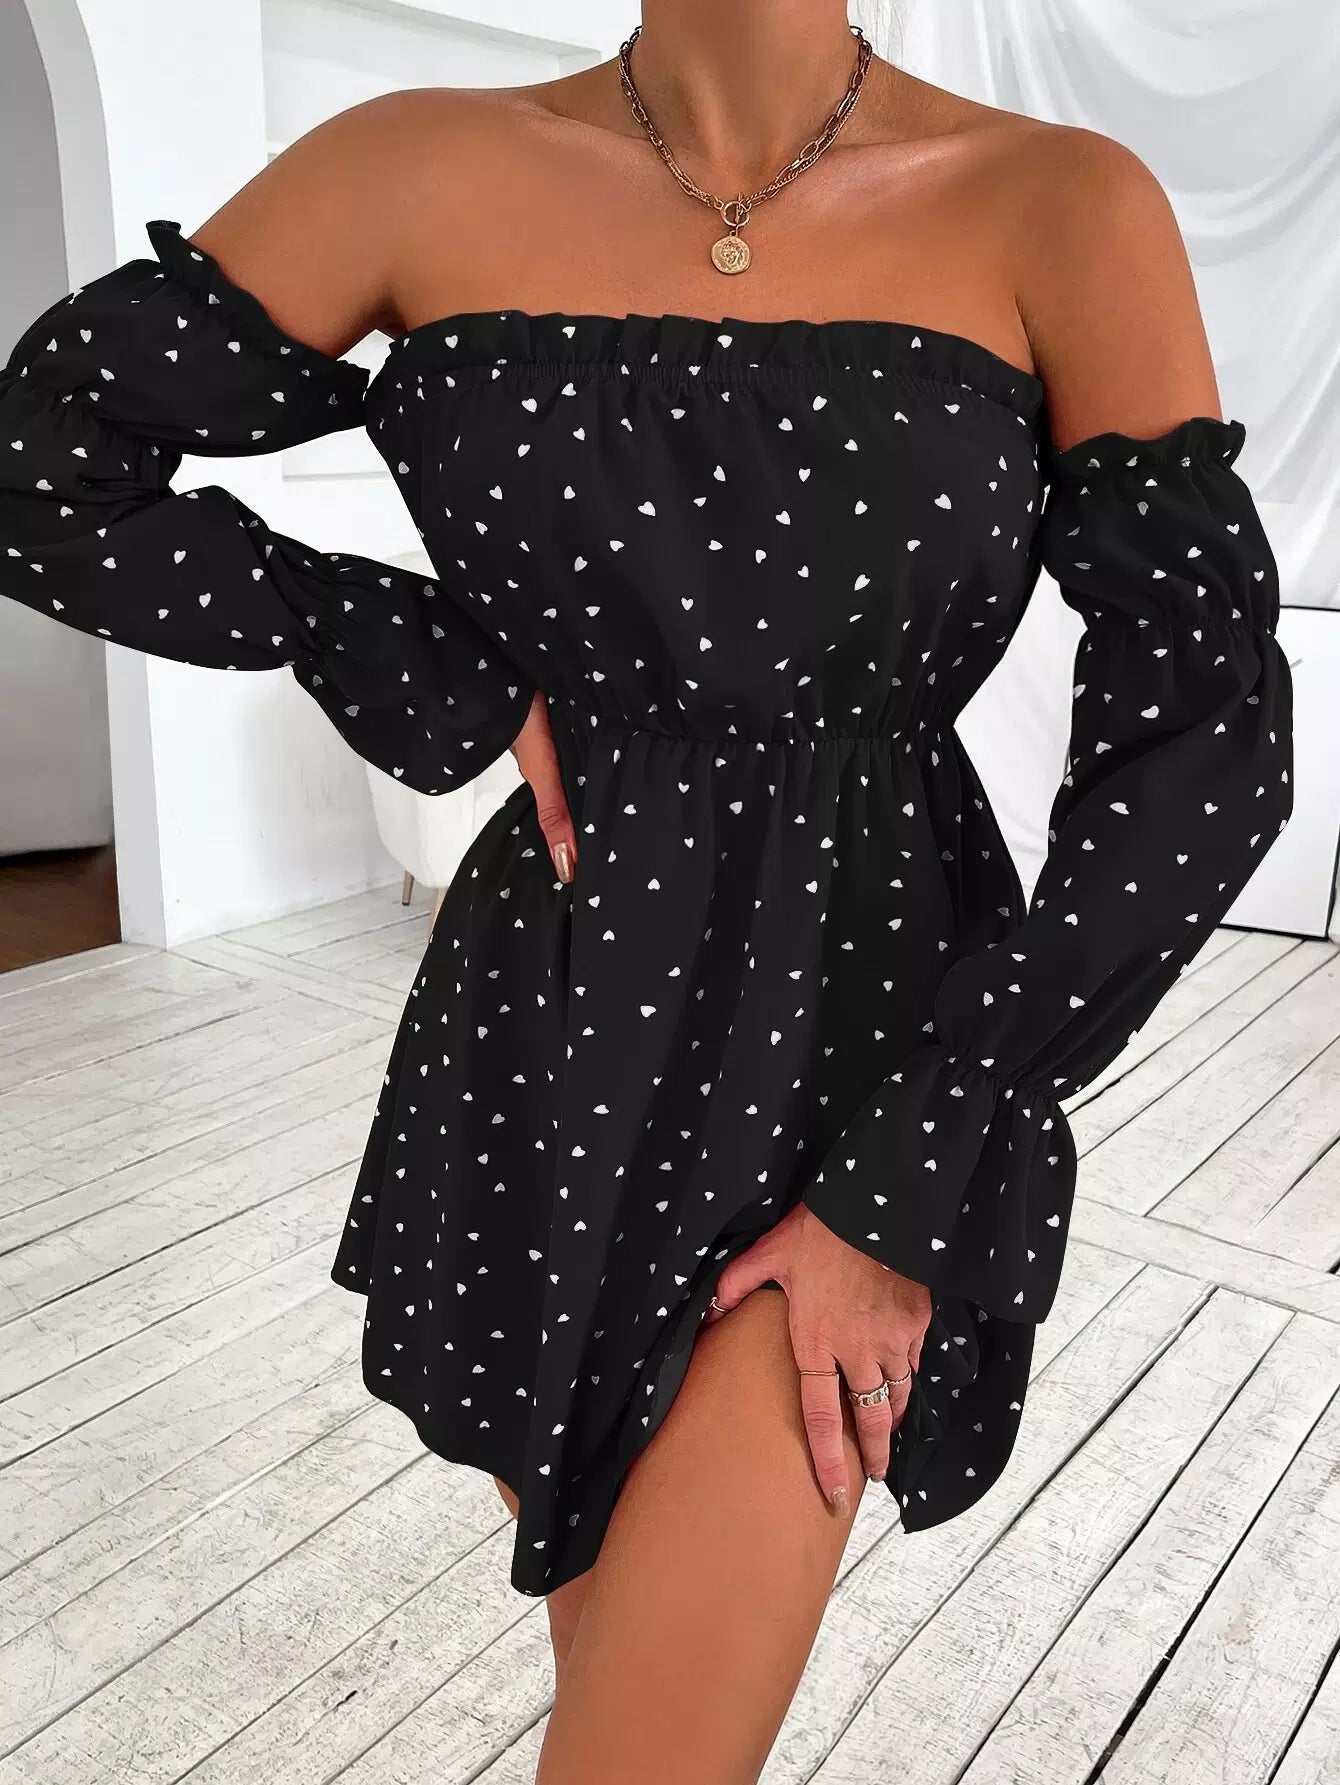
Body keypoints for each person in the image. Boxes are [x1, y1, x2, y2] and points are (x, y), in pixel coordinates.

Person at [0, 4, 1293, 1780]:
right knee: (621, 1667)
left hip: (866, 1054)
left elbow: (1206, 732)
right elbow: (42, 461)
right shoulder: (411, 167)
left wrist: (922, 1156)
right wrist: (416, 657)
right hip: (549, 1026)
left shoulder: (1061, 202)